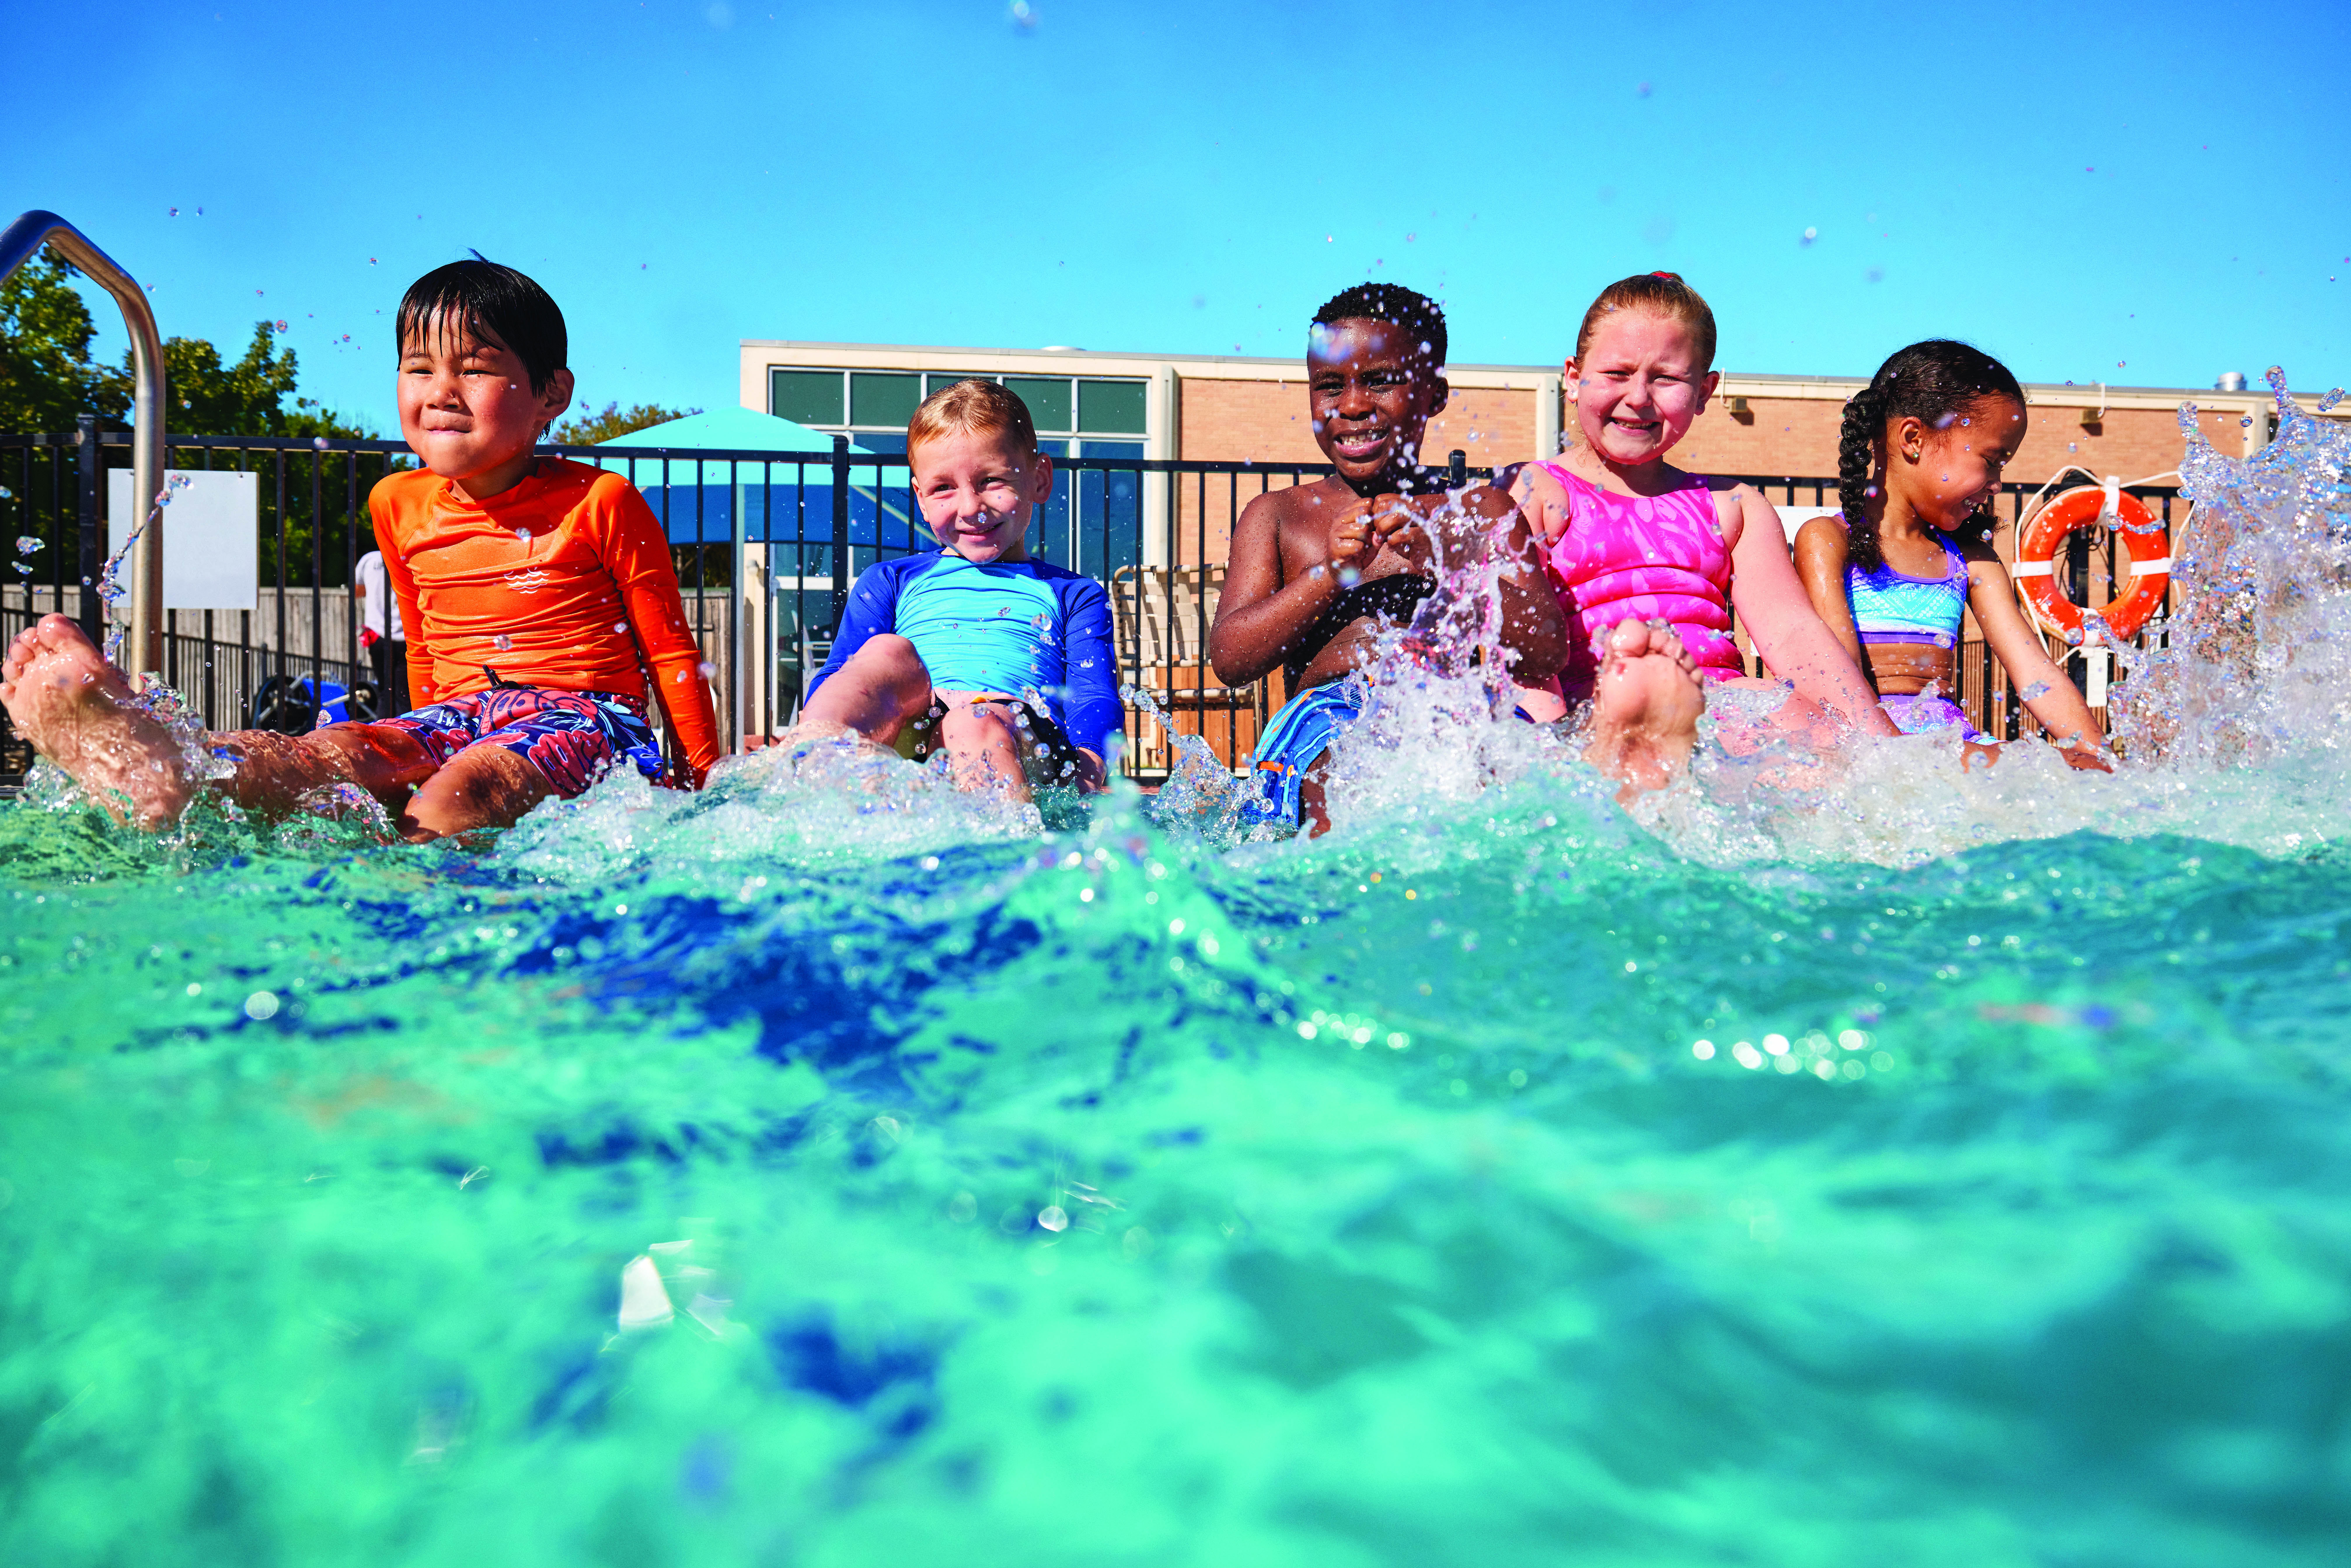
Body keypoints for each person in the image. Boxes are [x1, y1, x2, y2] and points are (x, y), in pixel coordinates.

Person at [0, 256, 721, 838]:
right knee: (341, 750)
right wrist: (418, 739)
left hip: (588, 715)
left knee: (460, 792)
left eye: (473, 367)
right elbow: (424, 647)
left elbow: (669, 655)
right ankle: (170, 766)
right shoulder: (396, 502)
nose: (441, 390)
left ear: (550, 394)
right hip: (464, 711)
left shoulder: (602, 501)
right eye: (419, 367)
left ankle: (427, 913)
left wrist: (700, 784)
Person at [1212, 283, 1606, 836]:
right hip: (1327, 718)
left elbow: (1545, 649)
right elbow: (1231, 659)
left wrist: (1442, 557)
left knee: (1507, 777)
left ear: (1434, 395)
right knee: (1343, 772)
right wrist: (1328, 576)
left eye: (1379, 381)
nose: (1351, 404)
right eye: (1329, 386)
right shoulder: (1279, 515)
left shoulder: (1478, 509)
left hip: (1459, 704)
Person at [1503, 273, 1899, 748]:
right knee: (1627, 697)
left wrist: (1883, 745)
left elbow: (1795, 635)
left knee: (1800, 718)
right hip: (1599, 704)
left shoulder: (1733, 506)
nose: (1638, 397)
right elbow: (1523, 647)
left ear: (1705, 391)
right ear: (1573, 377)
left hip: (1720, 708)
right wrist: (1544, 749)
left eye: (1665, 378)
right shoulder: (1536, 490)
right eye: (1617, 373)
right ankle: (1648, 696)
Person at [784, 379, 1117, 802]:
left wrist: (1088, 768)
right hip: (915, 730)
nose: (970, 507)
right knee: (888, 652)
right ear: (920, 498)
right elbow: (839, 676)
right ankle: (812, 760)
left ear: (1039, 479)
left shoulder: (1074, 594)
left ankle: (1004, 850)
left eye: (991, 481)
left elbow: (1094, 694)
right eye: (944, 488)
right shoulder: (891, 580)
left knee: (972, 722)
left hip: (1014, 735)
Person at [1793, 339, 2108, 765]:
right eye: (1992, 460)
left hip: (1950, 749)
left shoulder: (1971, 560)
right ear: (1914, 438)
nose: (1997, 483)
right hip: (1867, 749)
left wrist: (2095, 754)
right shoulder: (1829, 542)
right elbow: (1840, 686)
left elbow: (2037, 673)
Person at [353, 542, 408, 717]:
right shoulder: (405, 558)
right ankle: (406, 731)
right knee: (404, 694)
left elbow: (357, 591)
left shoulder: (369, 560)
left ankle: (385, 730)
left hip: (378, 635)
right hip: (406, 635)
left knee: (385, 690)